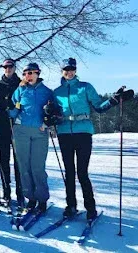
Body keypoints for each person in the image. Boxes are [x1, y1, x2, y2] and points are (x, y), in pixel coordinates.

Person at [50, 58, 134, 220]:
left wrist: (114, 100)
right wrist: (51, 116)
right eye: (66, 69)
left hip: (83, 133)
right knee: (69, 172)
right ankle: (71, 206)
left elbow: (99, 107)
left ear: (75, 70)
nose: (69, 72)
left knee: (82, 172)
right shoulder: (57, 92)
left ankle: (90, 208)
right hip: (64, 133)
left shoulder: (85, 87)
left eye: (71, 69)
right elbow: (54, 113)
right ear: (61, 71)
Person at [9, 63, 53, 213]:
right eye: (27, 73)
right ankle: (30, 198)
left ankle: (41, 199)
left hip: (39, 132)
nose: (30, 75)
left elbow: (53, 112)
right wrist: (9, 112)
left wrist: (48, 122)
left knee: (37, 167)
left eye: (33, 72)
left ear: (38, 74)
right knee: (24, 166)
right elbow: (14, 108)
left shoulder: (46, 92)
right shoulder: (20, 90)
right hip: (21, 131)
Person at [0, 58, 24, 207]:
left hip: (18, 123)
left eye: (10, 66)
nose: (8, 69)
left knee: (19, 159)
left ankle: (21, 192)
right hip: (3, 124)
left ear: (14, 67)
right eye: (5, 67)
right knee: (4, 158)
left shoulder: (21, 84)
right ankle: (6, 192)